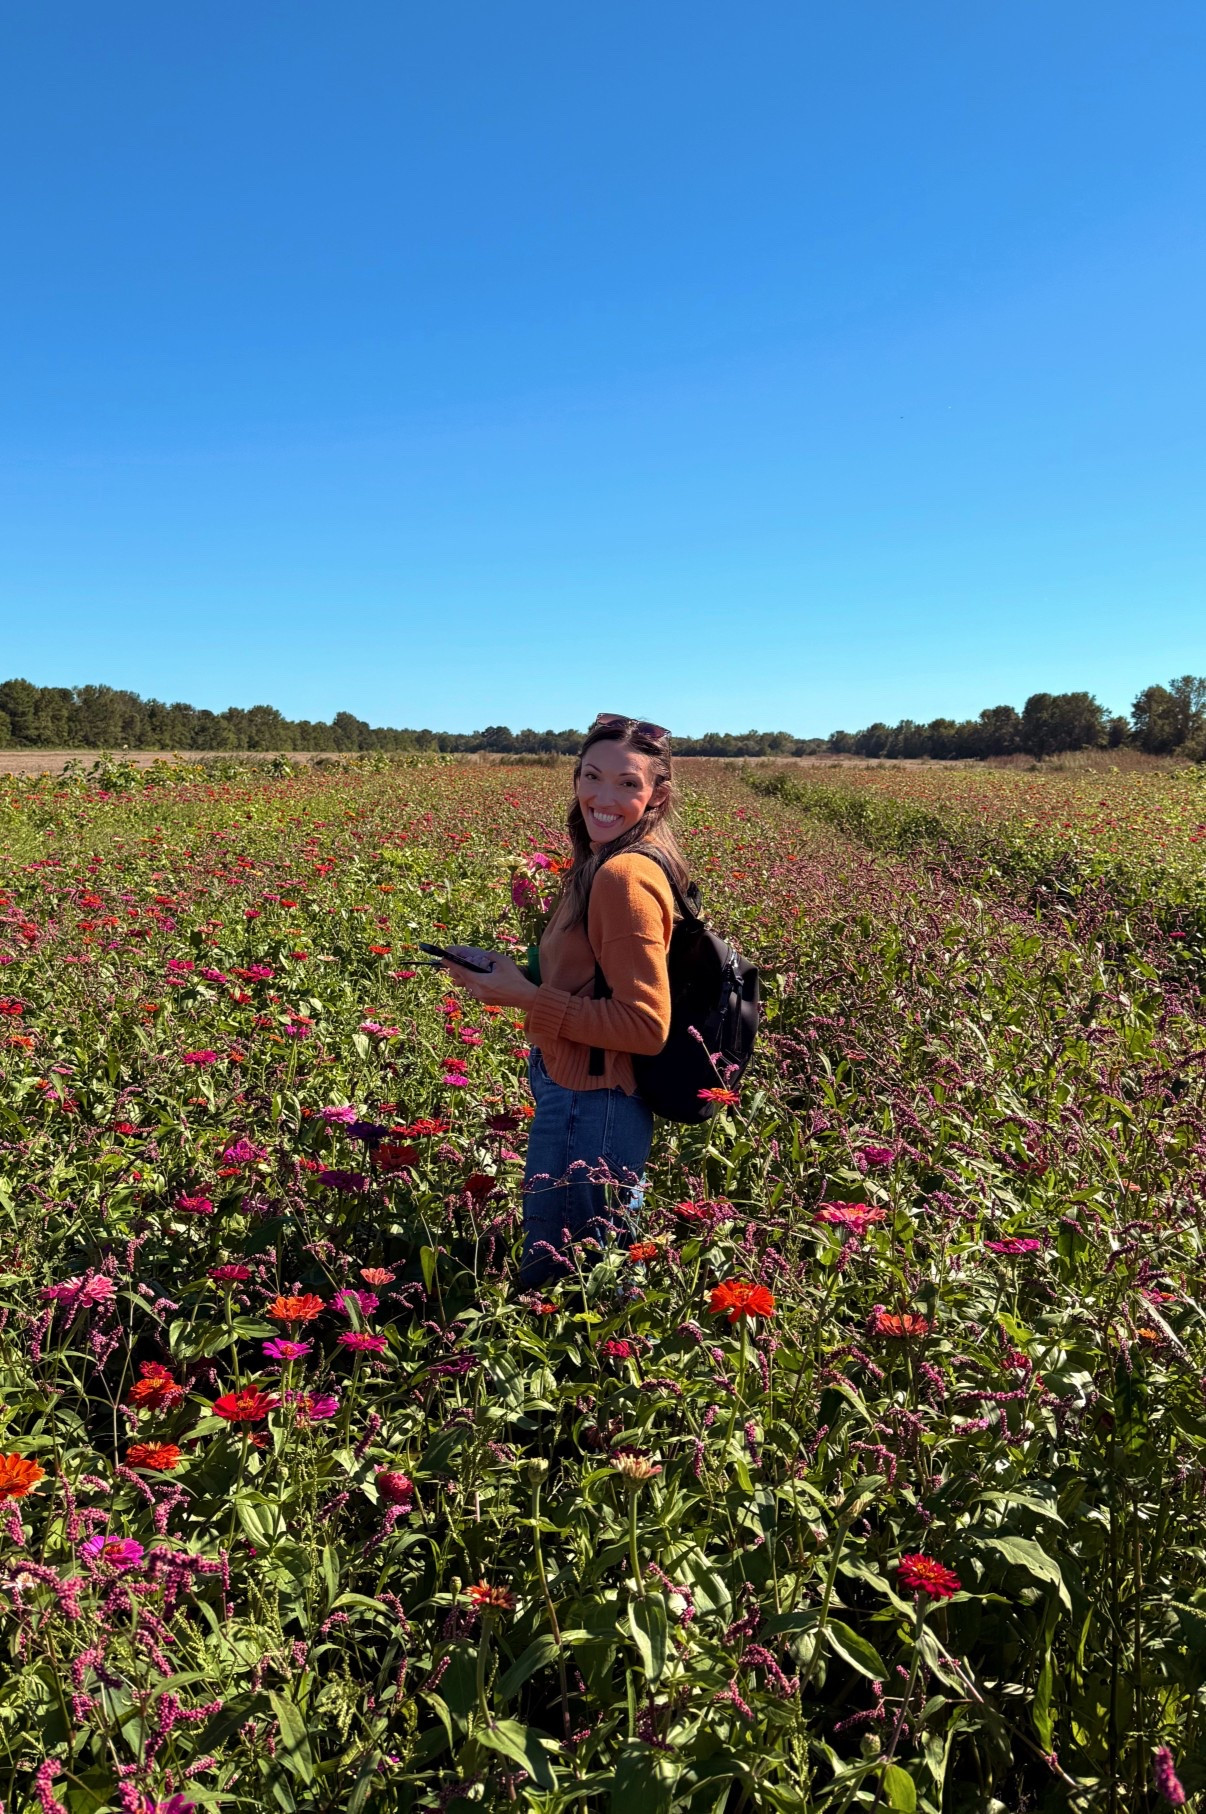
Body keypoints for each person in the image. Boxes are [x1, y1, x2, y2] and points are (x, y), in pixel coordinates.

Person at [440, 713, 692, 1287]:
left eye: (628, 783)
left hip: (594, 1099)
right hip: (582, 1086)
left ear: (657, 795)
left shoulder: (623, 876)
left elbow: (644, 1024)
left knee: (568, 1275)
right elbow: (592, 975)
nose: (603, 798)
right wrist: (513, 968)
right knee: (584, 1264)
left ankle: (586, 1372)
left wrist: (525, 997)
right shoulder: (603, 862)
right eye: (591, 777)